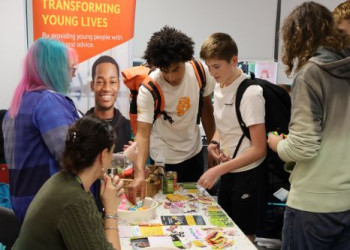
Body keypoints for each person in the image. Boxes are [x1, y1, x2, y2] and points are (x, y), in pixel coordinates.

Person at [267, 2, 350, 249]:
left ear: (300, 33)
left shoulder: (311, 73)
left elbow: (303, 147)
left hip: (312, 204)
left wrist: (279, 145)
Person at [127, 26, 216, 204]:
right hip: (163, 158)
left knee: (195, 204)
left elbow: (207, 109)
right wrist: (139, 173)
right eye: (165, 70)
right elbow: (143, 134)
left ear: (186, 60)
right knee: (165, 206)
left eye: (176, 69)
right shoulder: (149, 88)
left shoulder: (200, 71)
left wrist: (213, 144)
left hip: (194, 152)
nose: (171, 77)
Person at [12, 116, 124, 249]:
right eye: (111, 153)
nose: (112, 158)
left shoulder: (65, 180)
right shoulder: (75, 200)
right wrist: (111, 210)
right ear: (103, 155)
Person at [198, 33, 268, 242]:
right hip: (229, 170)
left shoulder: (250, 94)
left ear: (234, 61)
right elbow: (226, 124)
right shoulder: (219, 86)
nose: (212, 72)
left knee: (244, 237)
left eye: (216, 66)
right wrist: (215, 142)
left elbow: (259, 149)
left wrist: (218, 169)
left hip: (248, 175)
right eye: (208, 66)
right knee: (226, 232)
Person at [2, 38, 80, 223]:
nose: (73, 76)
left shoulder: (16, 106)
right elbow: (74, 157)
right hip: (48, 210)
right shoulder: (48, 102)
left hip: (24, 208)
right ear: (55, 68)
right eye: (72, 69)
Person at [87, 55, 131, 153]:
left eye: (112, 82)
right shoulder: (80, 127)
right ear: (92, 85)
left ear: (118, 85)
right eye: (100, 82)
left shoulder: (129, 129)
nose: (106, 88)